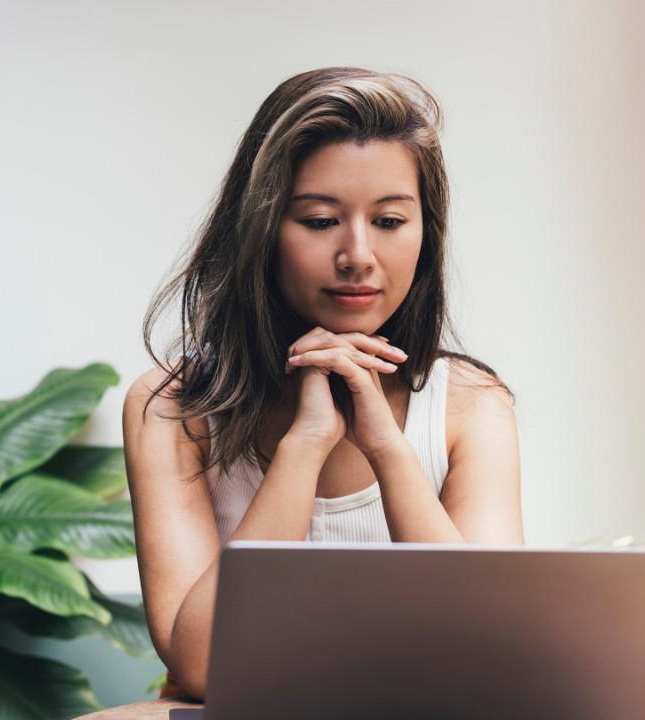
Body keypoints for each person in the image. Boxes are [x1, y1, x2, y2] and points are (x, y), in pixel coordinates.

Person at [120, 67, 525, 701]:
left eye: (390, 222)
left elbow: (486, 645)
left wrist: (389, 449)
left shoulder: (472, 406)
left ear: (426, 234)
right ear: (260, 230)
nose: (358, 255)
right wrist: (305, 445)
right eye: (318, 221)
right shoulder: (173, 407)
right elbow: (201, 667)